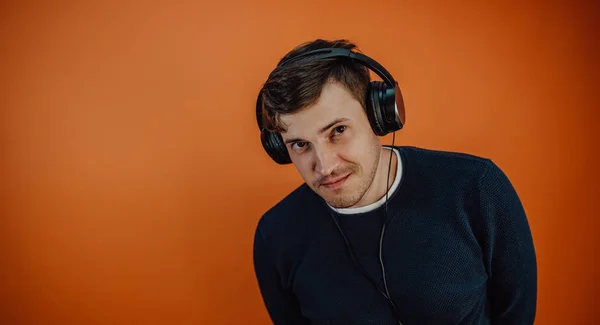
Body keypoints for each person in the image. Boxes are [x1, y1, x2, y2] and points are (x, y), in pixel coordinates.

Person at [252, 39, 537, 325]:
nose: (325, 167)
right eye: (301, 144)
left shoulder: (476, 188)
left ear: (378, 117)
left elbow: (517, 315)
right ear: (280, 148)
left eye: (338, 130)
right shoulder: (275, 236)